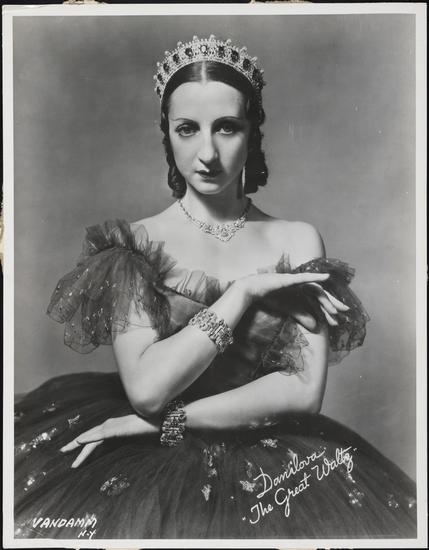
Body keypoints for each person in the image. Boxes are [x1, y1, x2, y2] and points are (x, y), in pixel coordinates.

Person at [14, 35, 417, 540]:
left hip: (267, 458)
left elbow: (301, 392)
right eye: (187, 129)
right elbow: (148, 391)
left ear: (253, 132)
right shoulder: (134, 243)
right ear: (167, 134)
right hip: (147, 470)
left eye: (227, 127)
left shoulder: (297, 239)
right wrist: (242, 295)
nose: (207, 153)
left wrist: (163, 423)